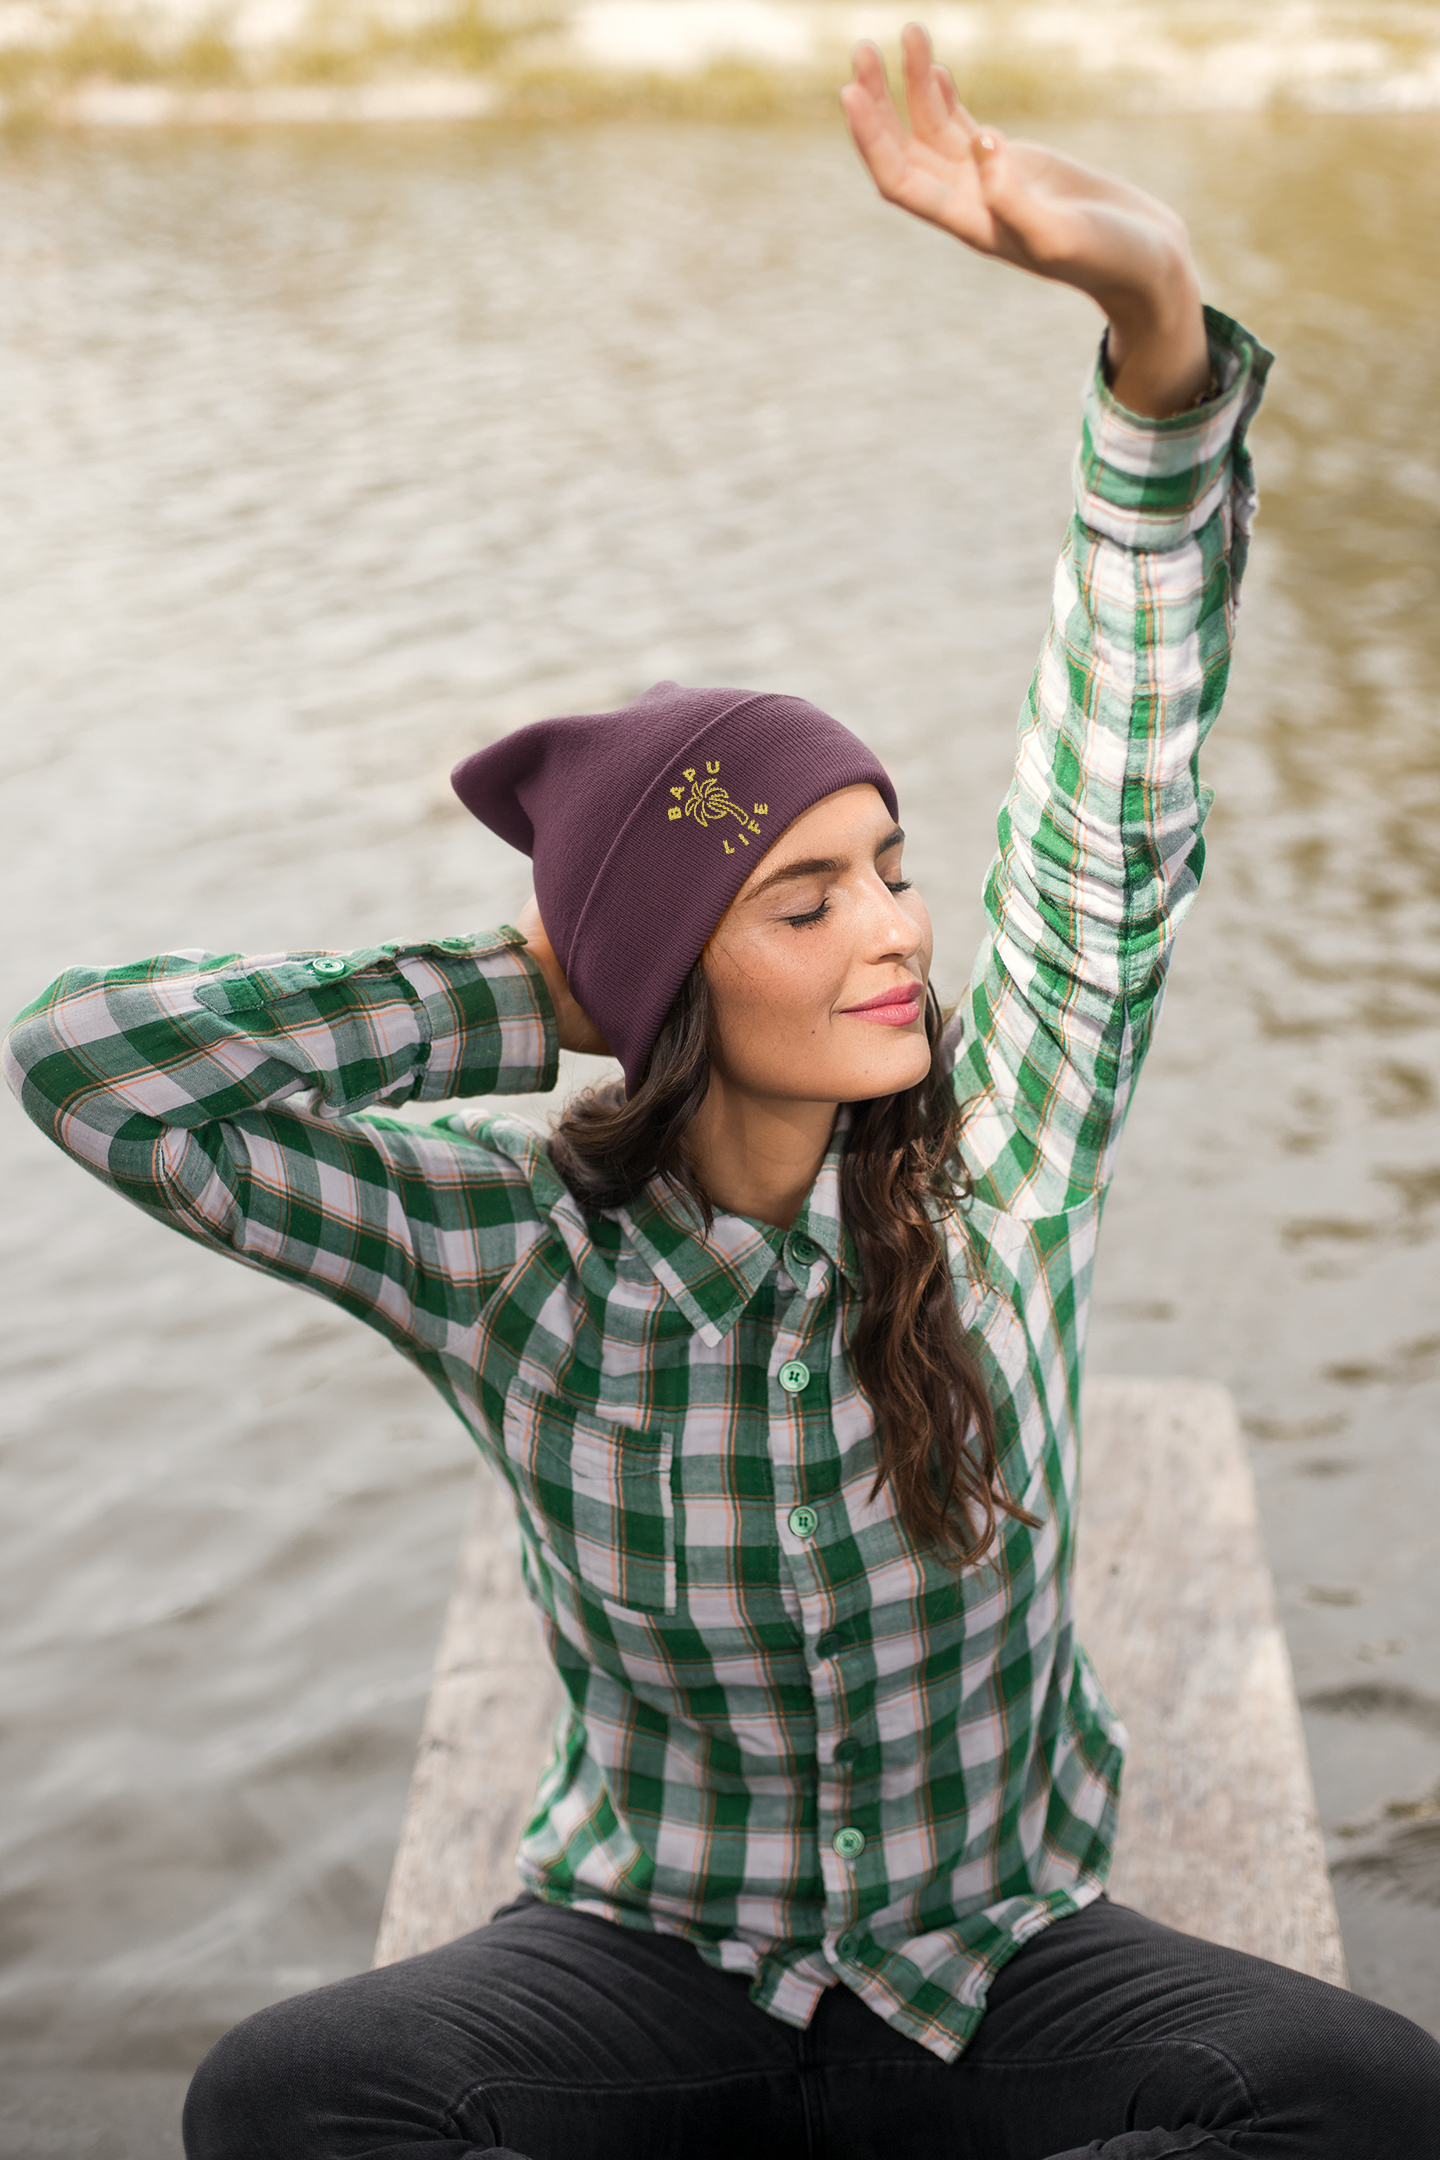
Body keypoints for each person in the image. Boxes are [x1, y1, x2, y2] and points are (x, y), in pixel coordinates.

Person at [6, 25, 1438, 2159]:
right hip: (659, 1964)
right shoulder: (514, 1262)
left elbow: (1110, 780)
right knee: (286, 2104)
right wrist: (525, 993)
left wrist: (1150, 330)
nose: (893, 931)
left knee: (1363, 2102)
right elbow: (95, 1068)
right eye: (800, 901)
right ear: (668, 975)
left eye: (889, 866)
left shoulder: (1007, 1153)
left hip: (996, 1971)